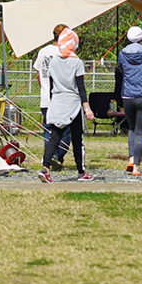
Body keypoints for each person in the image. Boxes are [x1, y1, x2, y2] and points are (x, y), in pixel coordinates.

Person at [39, 28, 95, 183]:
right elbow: (81, 88)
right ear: (74, 44)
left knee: (54, 137)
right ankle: (81, 171)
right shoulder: (77, 62)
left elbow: (51, 87)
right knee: (77, 138)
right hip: (73, 104)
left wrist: (52, 103)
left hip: (56, 101)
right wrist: (87, 108)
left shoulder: (53, 62)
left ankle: (46, 168)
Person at [115, 26, 142, 176]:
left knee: (131, 128)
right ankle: (136, 167)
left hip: (128, 96)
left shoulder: (122, 53)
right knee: (140, 132)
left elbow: (121, 69)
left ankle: (131, 159)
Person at [33, 23, 70, 170]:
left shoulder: (43, 51)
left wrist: (44, 88)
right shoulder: (66, 52)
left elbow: (38, 73)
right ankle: (56, 158)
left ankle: (49, 159)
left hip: (46, 98)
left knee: (48, 130)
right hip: (62, 99)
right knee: (65, 131)